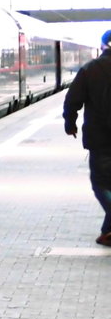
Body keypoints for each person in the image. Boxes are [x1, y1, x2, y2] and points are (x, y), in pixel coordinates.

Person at [62, 29, 111, 247]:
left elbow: (73, 100)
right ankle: (108, 230)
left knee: (101, 183)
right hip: (99, 138)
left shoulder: (90, 69)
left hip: (100, 138)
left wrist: (70, 123)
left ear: (102, 46)